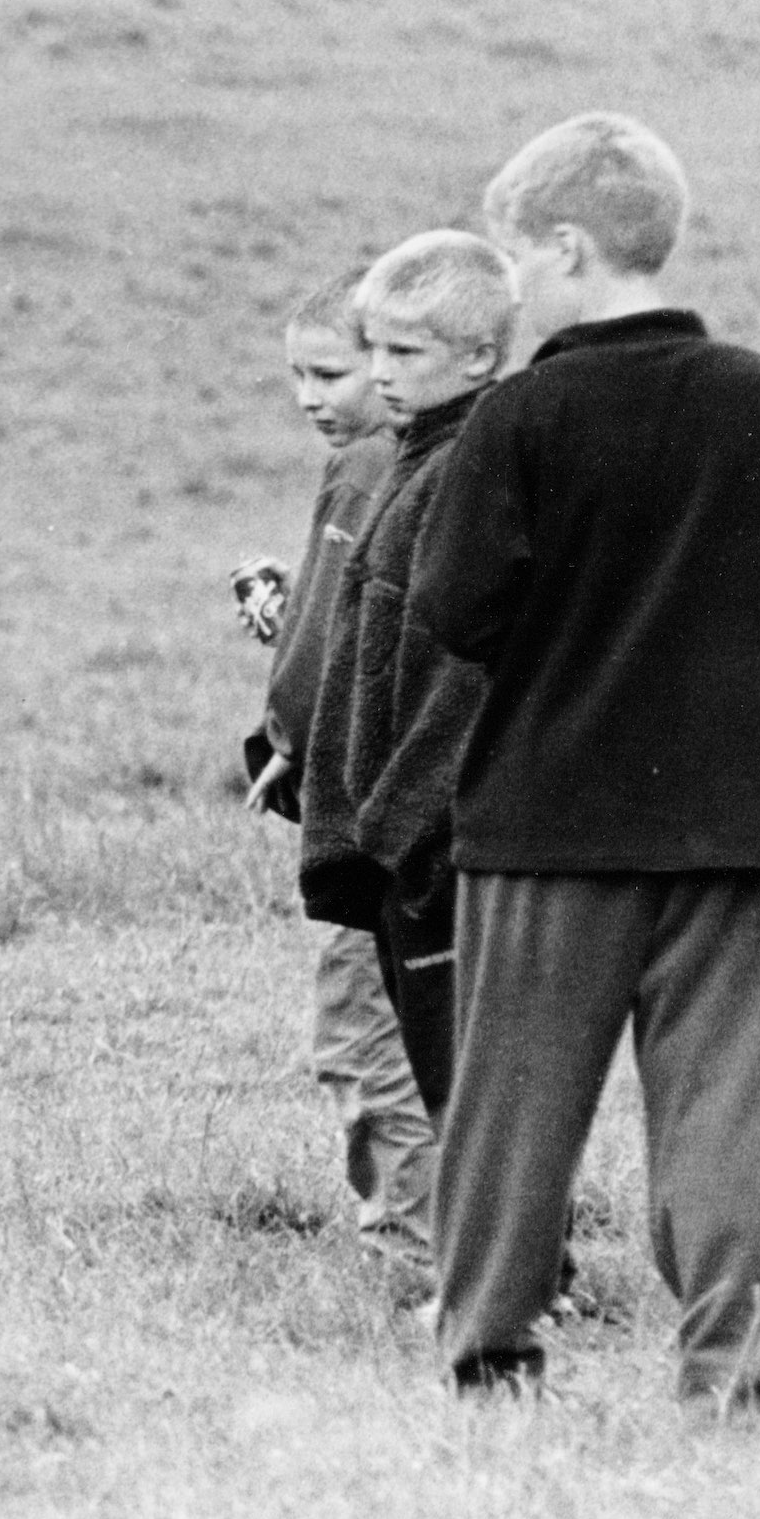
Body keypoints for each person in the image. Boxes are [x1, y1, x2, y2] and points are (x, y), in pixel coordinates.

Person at [411, 114, 760, 1417]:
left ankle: (492, 1358)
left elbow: (458, 608)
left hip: (548, 818)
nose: (512, 294)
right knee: (719, 1109)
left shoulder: (521, 416)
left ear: (569, 247)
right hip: (734, 822)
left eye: (517, 263)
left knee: (516, 1102)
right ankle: (737, 1374)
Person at [298, 232, 517, 1144]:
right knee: (447, 1084)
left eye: (405, 353)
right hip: (407, 842)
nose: (379, 375)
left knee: (462, 1088)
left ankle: (513, 1284)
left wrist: (389, 831)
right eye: (374, 350)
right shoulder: (411, 457)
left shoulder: (467, 473)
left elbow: (455, 679)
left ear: (480, 355)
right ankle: (512, 1279)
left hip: (431, 848)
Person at [230, 266, 432, 1256]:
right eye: (296, 376)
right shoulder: (457, 454)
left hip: (362, 797)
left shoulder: (365, 467)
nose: (314, 398)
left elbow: (322, 646)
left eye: (333, 371)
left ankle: (412, 1243)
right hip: (445, 794)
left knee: (362, 1028)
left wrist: (283, 739)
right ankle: (515, 1242)